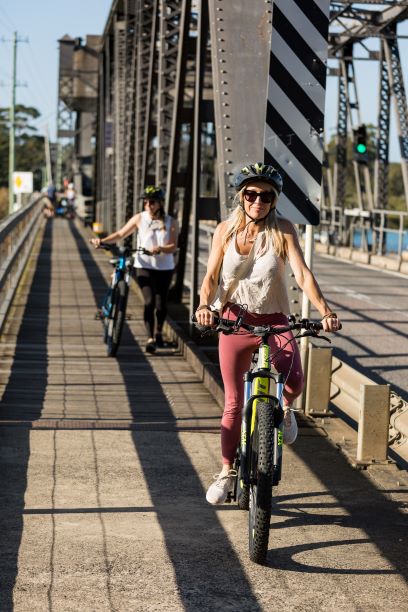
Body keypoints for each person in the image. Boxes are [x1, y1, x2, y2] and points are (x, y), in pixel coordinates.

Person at [196, 163, 341, 505]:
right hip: (234, 320)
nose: (258, 201)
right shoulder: (225, 231)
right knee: (232, 402)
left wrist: (326, 312)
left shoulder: (283, 230)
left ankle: (286, 409)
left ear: (274, 200)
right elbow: (211, 277)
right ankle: (227, 469)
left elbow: (303, 275)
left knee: (294, 381)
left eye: (265, 195)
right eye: (251, 194)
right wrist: (205, 306)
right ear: (241, 197)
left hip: (275, 319)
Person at [90, 186, 178, 353]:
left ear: (159, 203)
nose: (148, 205)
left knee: (161, 305)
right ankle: (150, 338)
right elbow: (120, 234)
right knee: (149, 301)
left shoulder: (170, 221)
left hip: (164, 267)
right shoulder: (140, 218)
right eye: (145, 202)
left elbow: (173, 246)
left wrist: (160, 248)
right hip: (143, 265)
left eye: (151, 202)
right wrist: (102, 241)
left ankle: (158, 332)